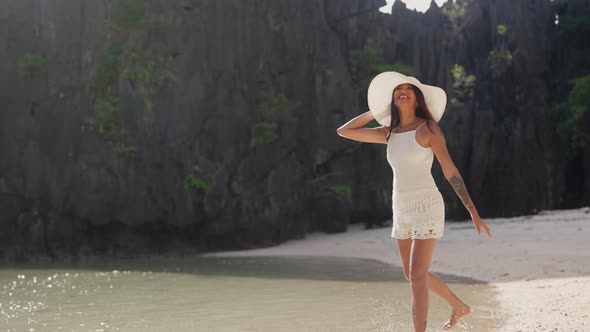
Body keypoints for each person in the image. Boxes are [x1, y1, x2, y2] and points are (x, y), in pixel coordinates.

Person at [336, 71, 491, 331]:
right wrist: (377, 110)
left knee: (417, 276)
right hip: (401, 207)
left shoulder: (428, 128)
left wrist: (472, 211)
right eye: (398, 89)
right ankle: (459, 307)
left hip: (426, 205)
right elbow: (345, 131)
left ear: (418, 99)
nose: (402, 91)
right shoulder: (388, 133)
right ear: (394, 98)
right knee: (412, 274)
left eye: (409, 88)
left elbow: (450, 170)